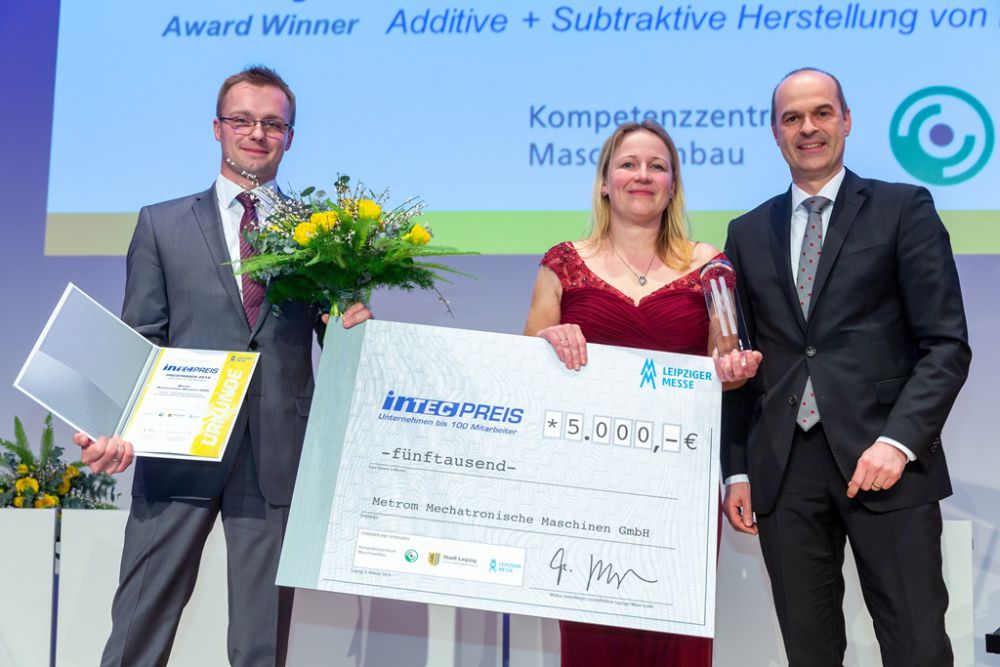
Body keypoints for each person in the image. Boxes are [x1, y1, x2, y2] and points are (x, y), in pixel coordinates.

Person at [72, 66, 371, 667]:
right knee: (140, 625)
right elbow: (141, 338)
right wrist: (112, 426)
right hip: (177, 446)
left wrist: (353, 325)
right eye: (243, 120)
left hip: (277, 451)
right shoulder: (161, 224)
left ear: (290, 137)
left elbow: (339, 349)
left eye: (273, 124)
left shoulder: (325, 237)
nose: (257, 133)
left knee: (262, 642)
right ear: (217, 128)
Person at [721, 68, 971, 667]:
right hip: (785, 469)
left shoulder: (902, 208)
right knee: (809, 653)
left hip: (885, 461)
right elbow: (739, 364)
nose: (807, 128)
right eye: (792, 118)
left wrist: (899, 442)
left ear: (847, 121)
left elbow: (946, 344)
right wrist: (737, 471)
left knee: (916, 647)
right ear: (775, 133)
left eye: (821, 113)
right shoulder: (747, 232)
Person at [524, 119, 760, 666]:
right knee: (591, 639)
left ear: (673, 186)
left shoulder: (710, 266)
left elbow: (724, 365)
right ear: (605, 182)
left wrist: (736, 369)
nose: (642, 175)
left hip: (679, 487)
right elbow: (527, 365)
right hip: (585, 486)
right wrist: (548, 341)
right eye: (628, 164)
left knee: (676, 639)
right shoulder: (562, 263)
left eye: (658, 166)